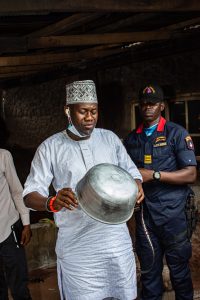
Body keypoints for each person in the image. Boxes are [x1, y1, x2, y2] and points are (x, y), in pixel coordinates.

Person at [23, 79, 144, 300]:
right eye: (83, 112)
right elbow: (30, 195)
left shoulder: (110, 139)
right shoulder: (50, 147)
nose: (90, 118)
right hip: (78, 248)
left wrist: (136, 185)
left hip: (115, 243)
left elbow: (131, 171)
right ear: (67, 111)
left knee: (123, 294)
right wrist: (52, 201)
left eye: (94, 111)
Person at [124, 83, 197, 300]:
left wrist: (154, 175)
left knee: (179, 274)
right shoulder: (131, 139)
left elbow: (190, 174)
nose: (148, 107)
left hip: (174, 216)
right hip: (146, 217)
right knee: (149, 275)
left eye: (153, 104)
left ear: (162, 106)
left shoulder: (176, 134)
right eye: (144, 104)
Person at [0, 149, 32, 300]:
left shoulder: (3, 155)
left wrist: (26, 223)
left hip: (8, 230)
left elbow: (16, 191)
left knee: (19, 286)